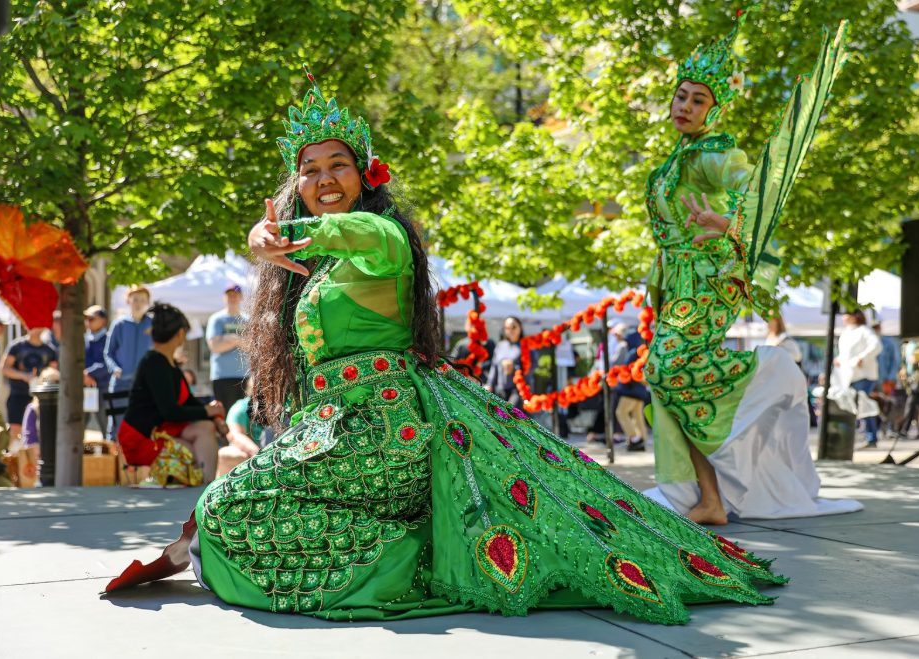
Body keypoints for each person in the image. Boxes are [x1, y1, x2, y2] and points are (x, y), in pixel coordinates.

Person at [106, 75, 786, 624]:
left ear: (364, 176)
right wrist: (273, 241)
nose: (323, 178)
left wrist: (276, 234)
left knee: (229, 512)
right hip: (334, 432)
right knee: (227, 502)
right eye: (308, 170)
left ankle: (418, 556)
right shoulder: (321, 268)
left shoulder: (380, 238)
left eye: (337, 164)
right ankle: (411, 539)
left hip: (380, 431)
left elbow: (352, 235)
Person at [639, 12, 860, 523]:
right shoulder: (677, 156)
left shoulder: (713, 154)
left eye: (699, 100)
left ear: (715, 109)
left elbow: (750, 187)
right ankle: (706, 497)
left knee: (668, 369)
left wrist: (728, 221)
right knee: (662, 374)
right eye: (682, 96)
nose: (686, 106)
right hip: (678, 282)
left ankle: (771, 370)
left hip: (709, 279)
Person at [118, 303, 225, 486]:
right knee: (193, 451)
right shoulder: (155, 363)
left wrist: (213, 416)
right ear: (180, 333)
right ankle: (204, 490)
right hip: (143, 439)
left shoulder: (169, 363)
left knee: (206, 428)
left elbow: (188, 401)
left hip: (163, 431)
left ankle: (207, 485)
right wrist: (209, 411)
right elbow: (171, 412)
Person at [104, 285, 153, 442]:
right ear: (128, 300)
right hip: (120, 383)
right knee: (116, 424)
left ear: (147, 303)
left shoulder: (152, 325)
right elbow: (108, 352)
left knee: (141, 423)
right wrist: (114, 368)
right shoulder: (119, 324)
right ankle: (113, 463)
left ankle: (136, 464)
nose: (138, 303)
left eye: (142, 300)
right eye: (135, 299)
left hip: (143, 384)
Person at [834, 310, 882, 448]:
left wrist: (862, 358)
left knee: (862, 405)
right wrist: (839, 360)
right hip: (848, 376)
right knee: (852, 406)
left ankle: (871, 437)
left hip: (864, 375)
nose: (843, 317)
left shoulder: (864, 331)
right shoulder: (846, 333)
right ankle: (851, 437)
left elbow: (876, 346)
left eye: (846, 315)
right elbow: (845, 354)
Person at [1, 326, 57, 444]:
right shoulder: (16, 346)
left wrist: (42, 379)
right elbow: (5, 368)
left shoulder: (49, 350)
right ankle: (13, 459)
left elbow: (53, 373)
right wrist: (23, 375)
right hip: (18, 395)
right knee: (15, 430)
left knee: (38, 430)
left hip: (41, 399)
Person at [206, 283, 250, 413]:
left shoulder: (247, 320)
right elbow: (215, 346)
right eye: (229, 295)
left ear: (241, 297)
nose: (232, 298)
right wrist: (240, 341)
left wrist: (230, 339)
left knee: (243, 415)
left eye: (235, 295)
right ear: (224, 297)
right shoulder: (216, 319)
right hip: (222, 376)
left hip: (244, 376)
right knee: (224, 414)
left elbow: (252, 346)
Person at [215, 382, 267, 478]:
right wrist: (262, 456)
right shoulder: (240, 408)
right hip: (250, 456)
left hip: (274, 454)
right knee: (224, 454)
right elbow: (235, 436)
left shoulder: (284, 407)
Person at [484, 316, 532, 407]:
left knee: (510, 414)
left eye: (513, 327)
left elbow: (533, 366)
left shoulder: (525, 345)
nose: (510, 330)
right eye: (507, 327)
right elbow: (494, 366)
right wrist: (490, 384)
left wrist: (515, 367)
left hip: (518, 389)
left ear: (520, 328)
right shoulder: (500, 345)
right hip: (501, 388)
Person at [616, 328, 650, 452]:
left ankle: (635, 438)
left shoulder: (632, 353)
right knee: (637, 416)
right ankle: (643, 440)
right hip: (641, 389)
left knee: (621, 412)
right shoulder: (643, 353)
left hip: (631, 389)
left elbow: (625, 370)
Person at [83, 305, 111, 434]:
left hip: (104, 387)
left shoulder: (109, 339)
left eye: (92, 318)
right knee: (78, 426)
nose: (88, 322)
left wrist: (89, 373)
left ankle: (112, 453)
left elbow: (109, 363)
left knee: (107, 425)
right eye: (86, 318)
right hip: (83, 387)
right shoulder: (82, 339)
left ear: (102, 320)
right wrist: (83, 376)